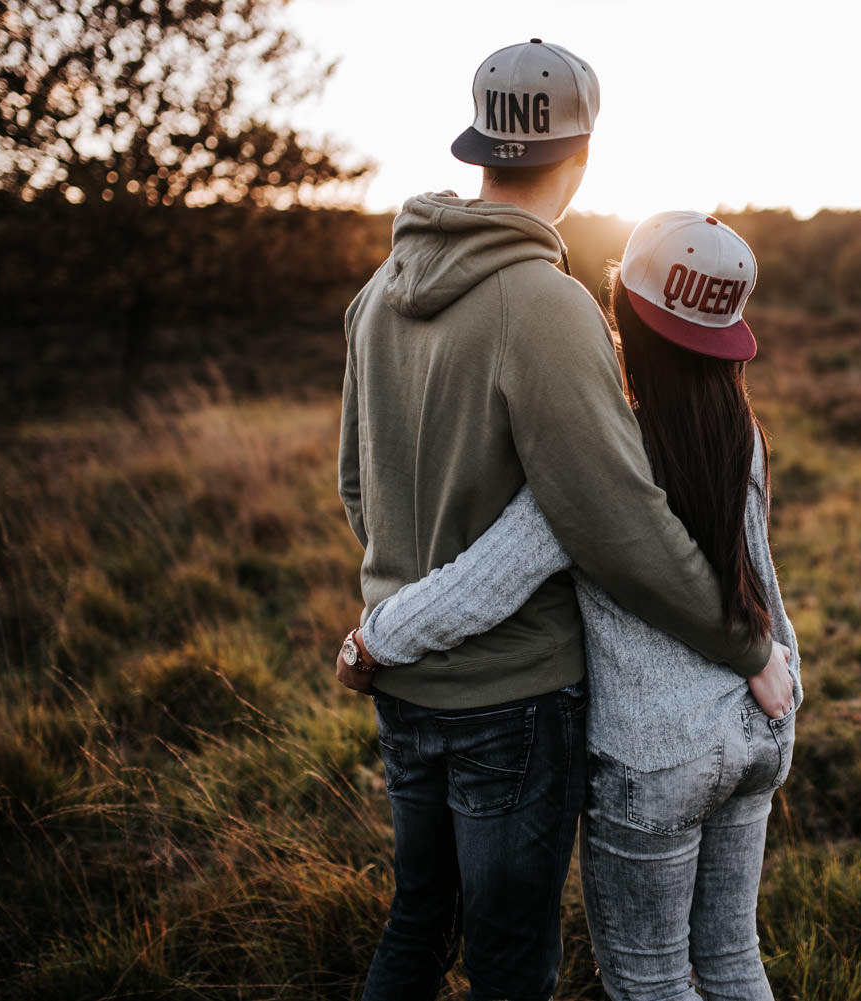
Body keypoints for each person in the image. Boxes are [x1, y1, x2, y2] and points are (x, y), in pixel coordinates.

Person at [334, 40, 789, 1001]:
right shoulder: (552, 305)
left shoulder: (375, 296)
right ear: (582, 160)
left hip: (404, 685)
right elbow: (611, 522)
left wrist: (391, 618)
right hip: (519, 693)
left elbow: (356, 487)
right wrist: (750, 646)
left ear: (477, 143)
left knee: (417, 923)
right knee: (513, 962)